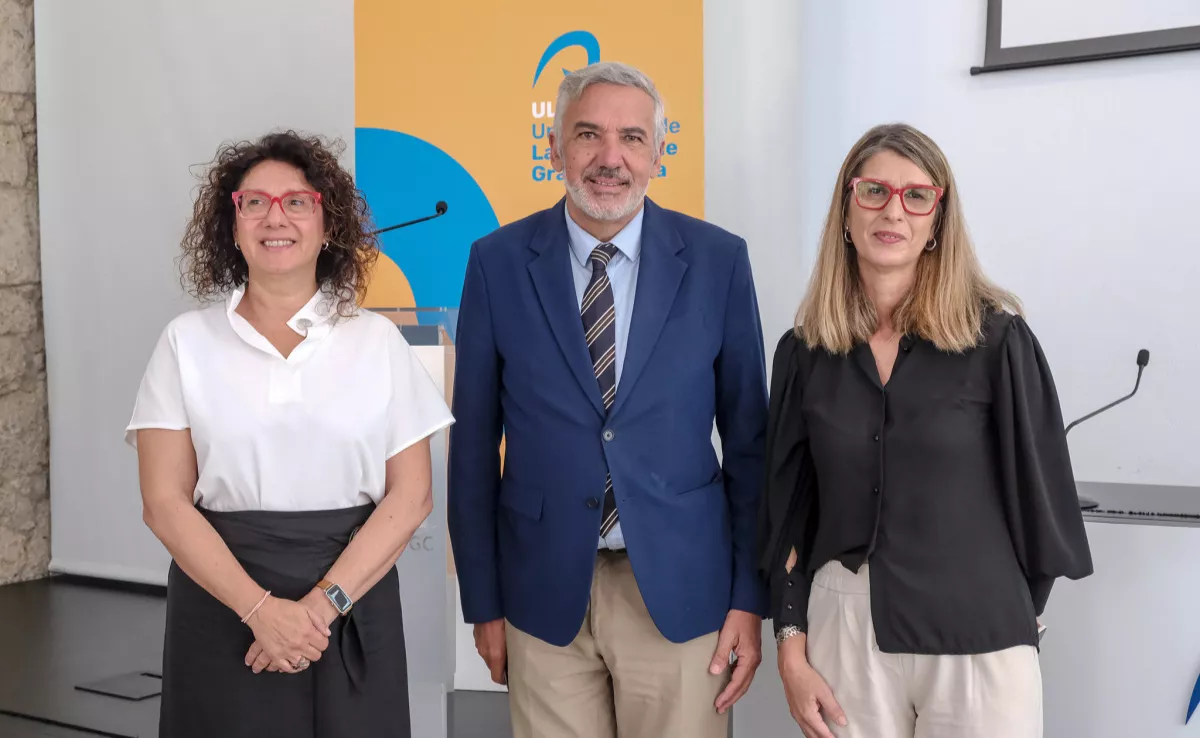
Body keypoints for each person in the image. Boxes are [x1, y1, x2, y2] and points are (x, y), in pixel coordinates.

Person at [447, 61, 768, 738]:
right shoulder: (496, 262)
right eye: (588, 135)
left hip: (682, 591)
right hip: (541, 591)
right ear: (555, 147)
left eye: (632, 137)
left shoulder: (718, 262)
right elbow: (471, 448)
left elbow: (750, 446)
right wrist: (483, 602)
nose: (610, 158)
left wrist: (748, 597)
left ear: (658, 151)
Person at [757, 122, 1094, 738]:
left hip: (978, 633)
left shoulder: (997, 341)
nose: (894, 210)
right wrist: (789, 644)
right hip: (846, 633)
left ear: (938, 219)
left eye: (917, 196)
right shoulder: (804, 353)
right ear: (846, 207)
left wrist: (1016, 621)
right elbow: (788, 512)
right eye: (875, 191)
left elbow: (1040, 498)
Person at [126, 131, 453, 737]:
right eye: (255, 202)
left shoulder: (376, 342)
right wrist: (259, 611)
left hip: (351, 606)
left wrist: (319, 608)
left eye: (297, 201)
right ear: (233, 222)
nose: (276, 218)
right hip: (223, 605)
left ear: (328, 224)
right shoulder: (185, 342)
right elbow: (163, 503)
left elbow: (412, 497)